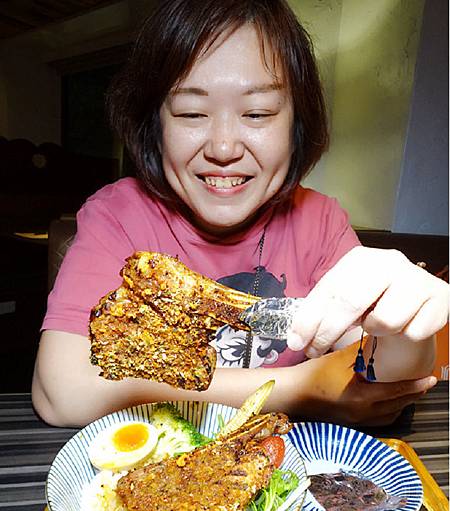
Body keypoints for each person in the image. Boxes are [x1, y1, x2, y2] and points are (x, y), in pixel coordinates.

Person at [32, 0, 448, 428]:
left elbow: (379, 378)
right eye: (192, 113)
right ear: (154, 125)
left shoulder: (319, 222)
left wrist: (407, 322)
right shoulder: (117, 216)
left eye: (257, 113)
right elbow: (59, 392)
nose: (224, 148)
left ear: (296, 126)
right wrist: (299, 388)